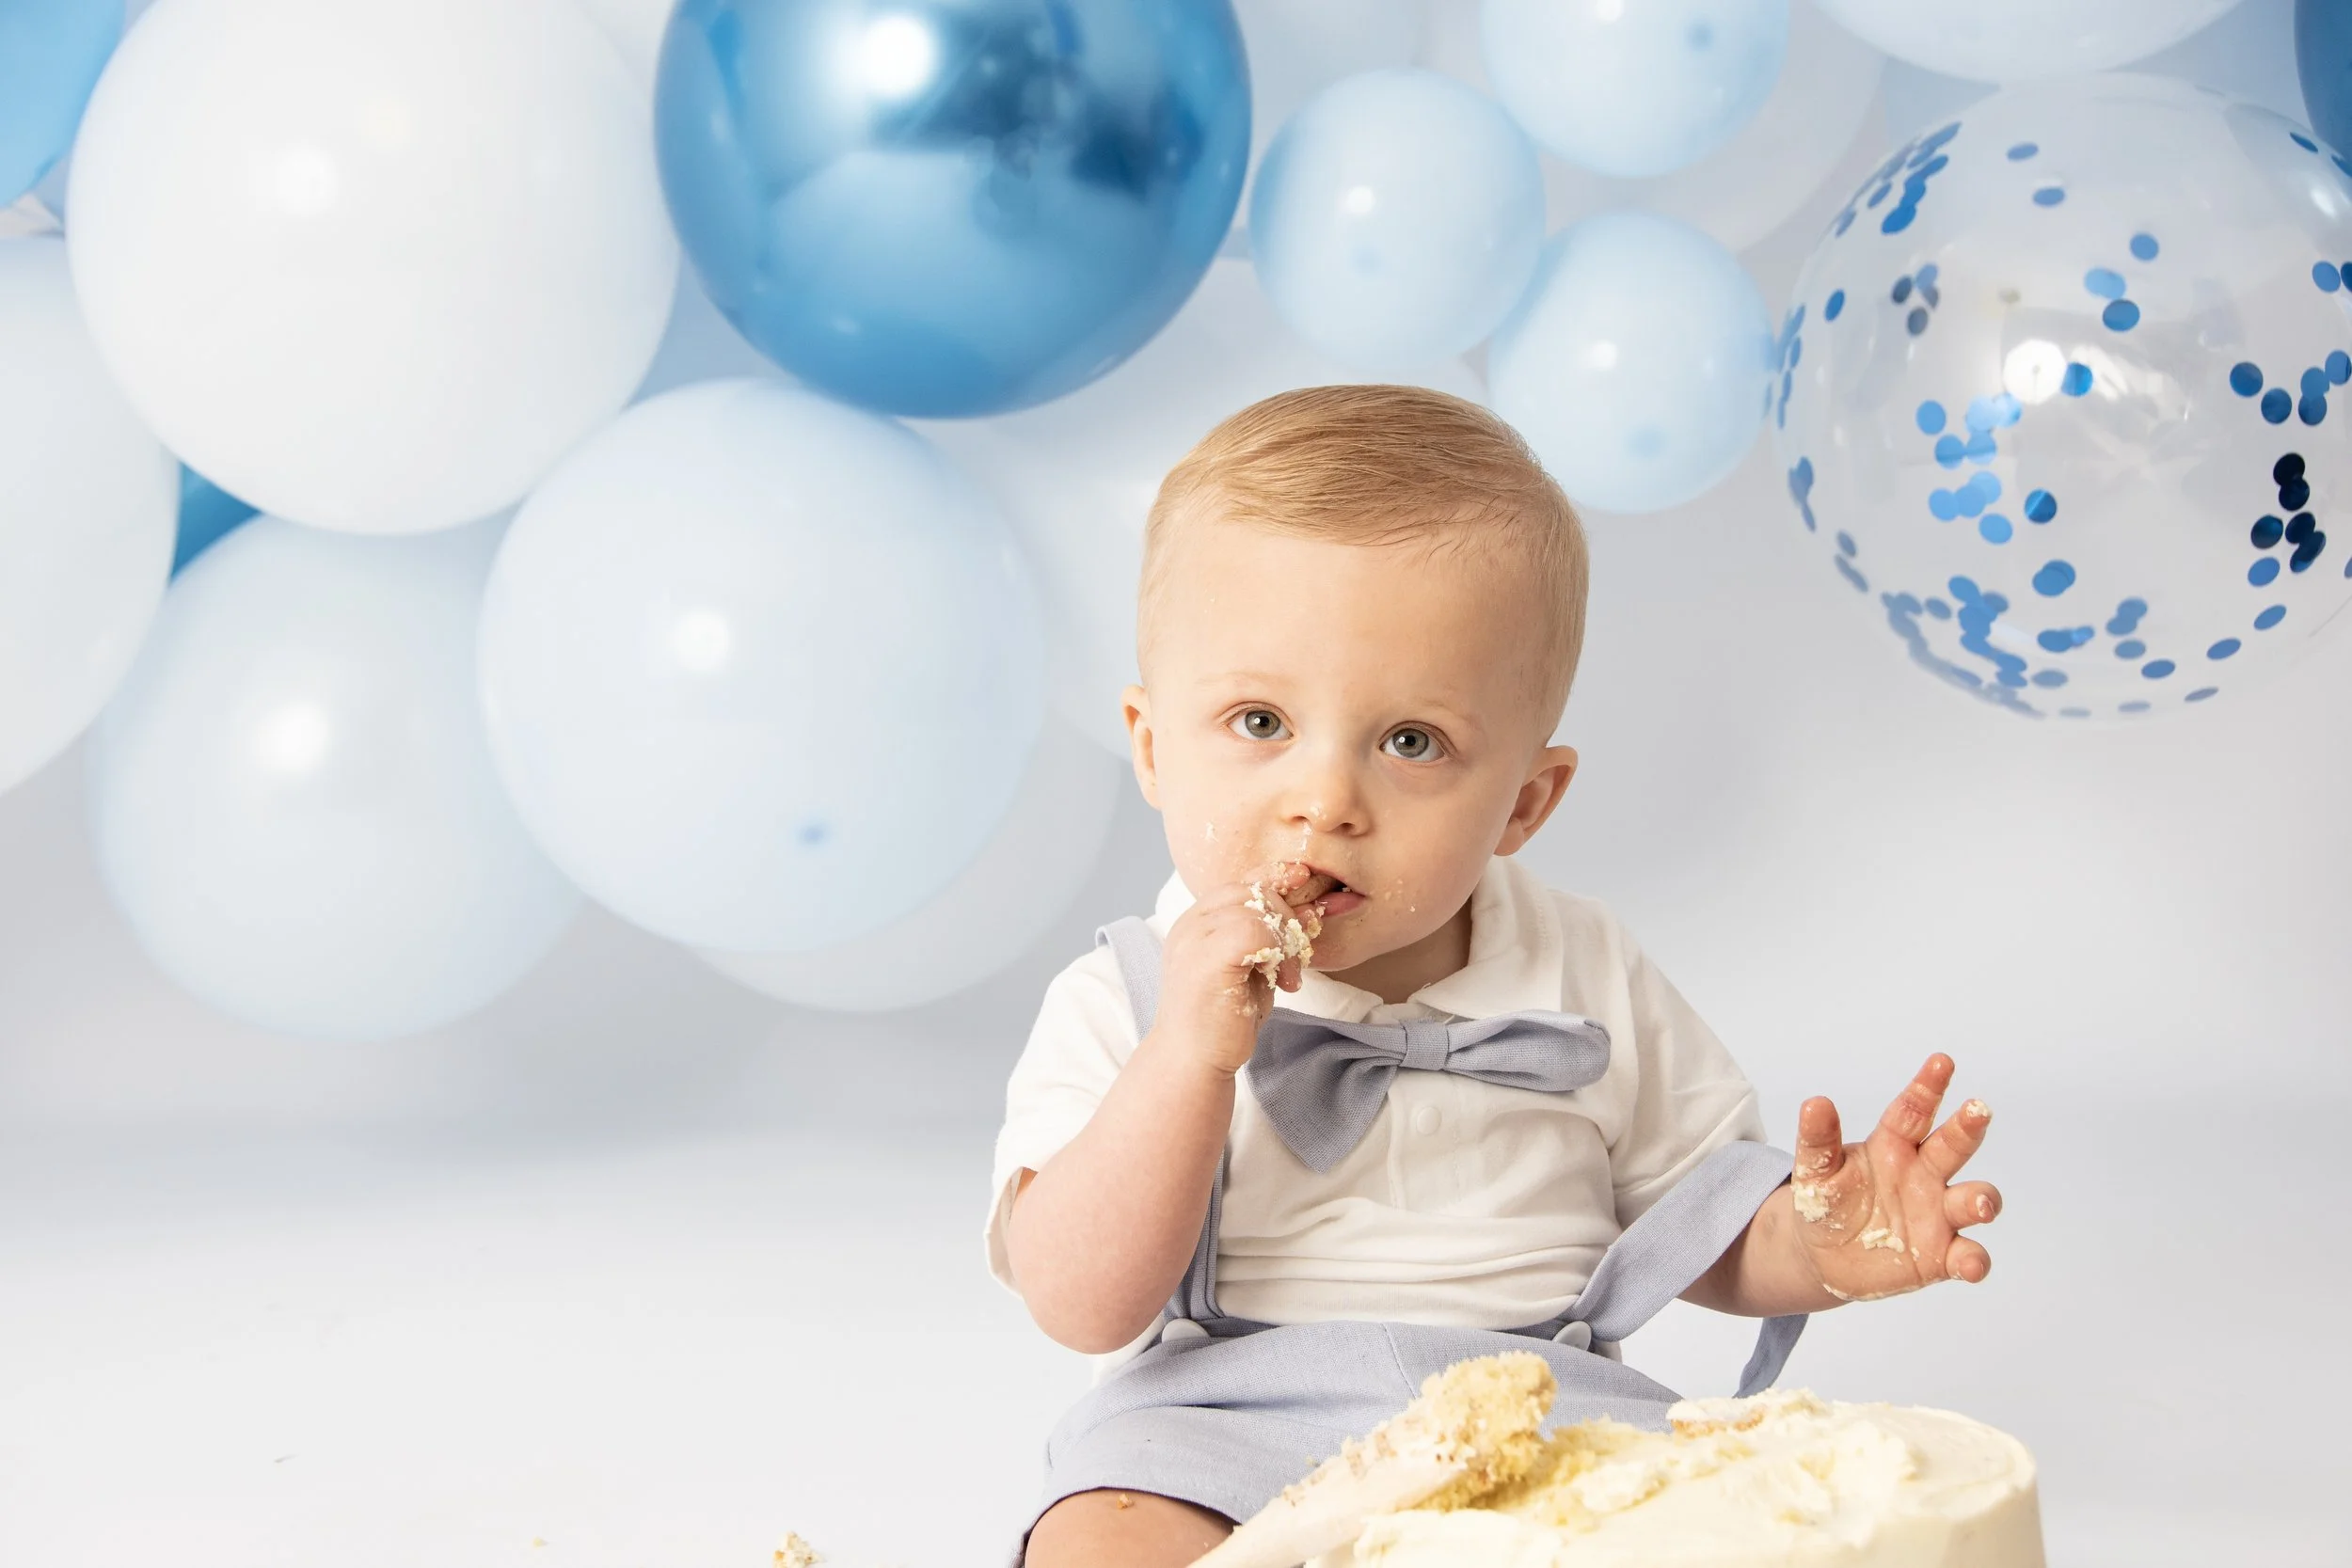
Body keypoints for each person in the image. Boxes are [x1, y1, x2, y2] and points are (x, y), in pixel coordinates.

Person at [987, 386, 2004, 1565]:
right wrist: (1184, 1057)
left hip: (1547, 1410)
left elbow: (1702, 1231)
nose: (1324, 799)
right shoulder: (1124, 990)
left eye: (1409, 741)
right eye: (1260, 721)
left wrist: (1821, 1243)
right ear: (1154, 746)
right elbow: (1080, 1301)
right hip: (1222, 1419)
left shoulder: (1587, 967)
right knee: (1100, 1535)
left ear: (1524, 799)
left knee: (1713, 1525)